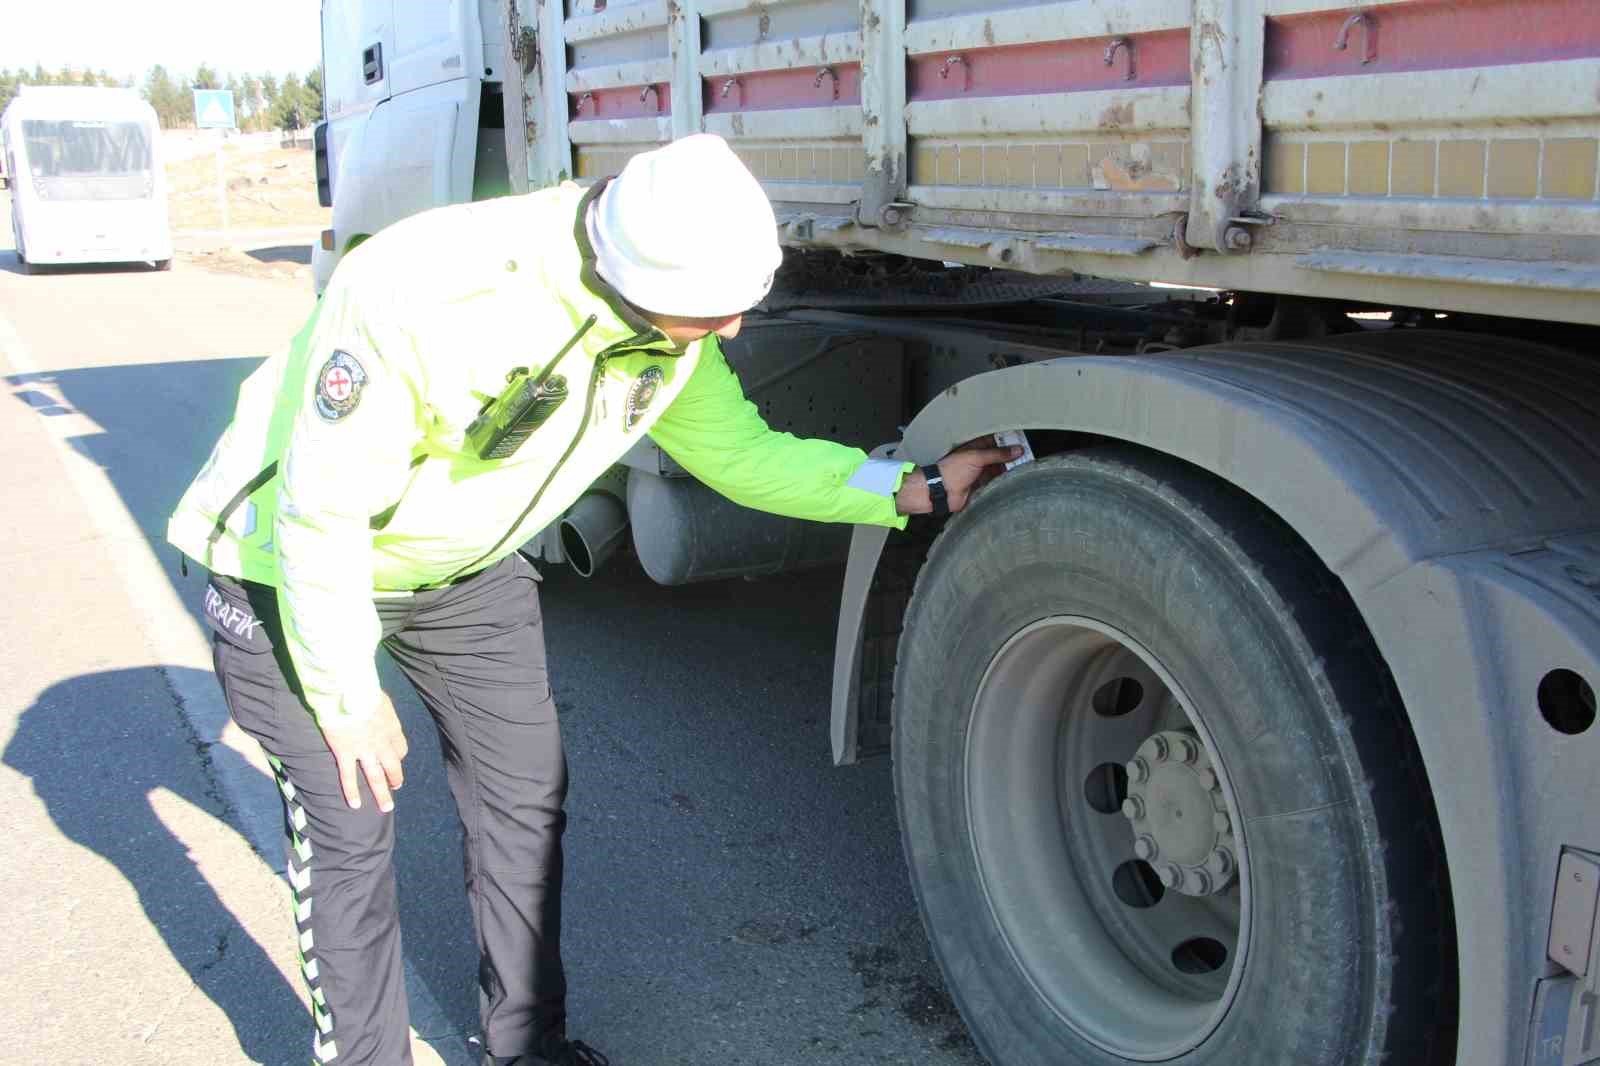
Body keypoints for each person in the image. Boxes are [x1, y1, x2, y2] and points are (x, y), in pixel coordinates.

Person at [167, 133, 1016, 1066]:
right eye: (712, 312)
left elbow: (740, 455)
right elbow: (318, 506)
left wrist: (909, 488)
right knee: (349, 824)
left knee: (525, 794)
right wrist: (345, 694)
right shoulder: (424, 288)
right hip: (290, 569)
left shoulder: (670, 322)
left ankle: (524, 1045)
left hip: (462, 569)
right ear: (630, 275)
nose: (731, 332)